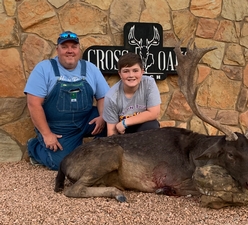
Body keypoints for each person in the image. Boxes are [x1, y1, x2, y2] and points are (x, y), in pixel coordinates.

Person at [24, 31, 110, 170]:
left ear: (79, 49)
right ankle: (34, 147)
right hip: (58, 127)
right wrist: (47, 134)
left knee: (114, 121)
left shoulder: (90, 68)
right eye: (64, 47)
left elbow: (103, 97)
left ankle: (95, 154)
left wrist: (102, 117)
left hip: (86, 120)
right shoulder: (43, 69)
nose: (70, 51)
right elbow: (33, 104)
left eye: (73, 47)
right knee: (62, 164)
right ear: (57, 50)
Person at [103, 52, 161, 136]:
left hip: (142, 128)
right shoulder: (111, 97)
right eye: (126, 71)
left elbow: (154, 113)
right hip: (123, 134)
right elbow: (112, 132)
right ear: (120, 74)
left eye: (135, 70)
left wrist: (125, 122)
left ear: (142, 71)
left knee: (152, 125)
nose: (131, 75)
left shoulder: (149, 83)